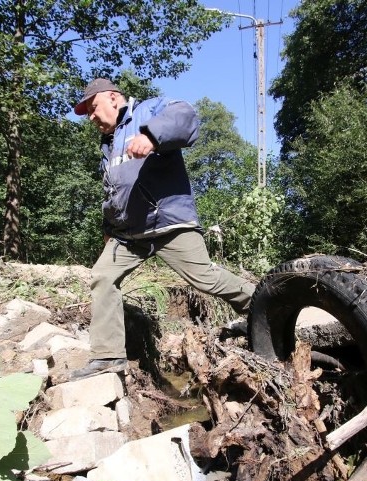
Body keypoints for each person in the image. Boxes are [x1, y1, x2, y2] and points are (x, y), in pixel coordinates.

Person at [69, 78, 255, 381]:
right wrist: (108, 228)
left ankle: (264, 308)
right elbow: (113, 191)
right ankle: (108, 357)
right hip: (128, 234)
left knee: (205, 278)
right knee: (102, 276)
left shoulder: (148, 111)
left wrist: (153, 136)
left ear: (113, 98)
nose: (90, 116)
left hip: (168, 223)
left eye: (92, 108)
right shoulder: (109, 143)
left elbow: (186, 115)